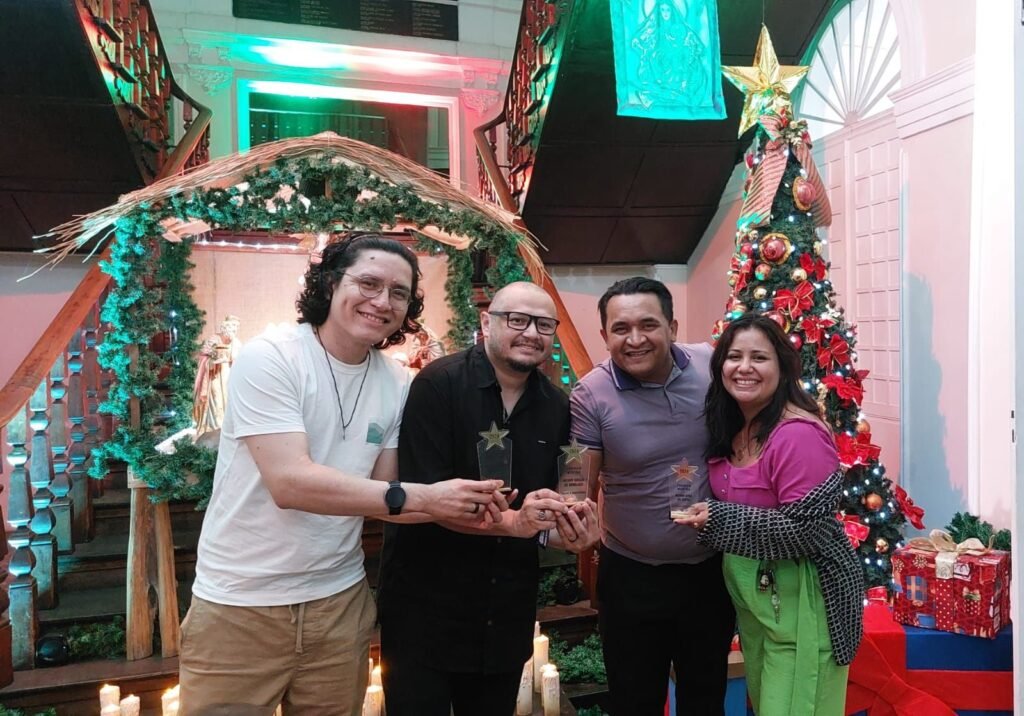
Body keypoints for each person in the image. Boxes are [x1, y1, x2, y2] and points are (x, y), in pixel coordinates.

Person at [179, 235, 506, 715]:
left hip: (339, 603)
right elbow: (290, 483)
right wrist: (427, 497)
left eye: (398, 293)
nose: (382, 302)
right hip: (241, 602)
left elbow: (390, 498)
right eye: (369, 283)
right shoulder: (272, 356)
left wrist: (500, 515)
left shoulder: (397, 381)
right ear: (330, 284)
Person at [379, 281, 601, 716]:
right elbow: (421, 498)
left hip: (505, 615)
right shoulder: (438, 384)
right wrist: (515, 522)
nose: (531, 333)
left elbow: (543, 510)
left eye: (544, 325)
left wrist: (570, 533)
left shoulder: (556, 406)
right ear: (487, 322)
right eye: (517, 320)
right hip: (425, 612)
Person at [675, 312, 864, 715]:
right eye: (734, 357)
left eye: (758, 358)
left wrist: (718, 519)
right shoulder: (732, 425)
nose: (744, 367)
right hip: (756, 603)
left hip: (802, 596)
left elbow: (807, 530)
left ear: (783, 367)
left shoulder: (797, 434)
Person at [569, 277, 735, 715]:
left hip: (710, 573)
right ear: (604, 335)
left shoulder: (712, 366)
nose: (635, 339)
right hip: (632, 578)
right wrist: (573, 523)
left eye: (648, 325)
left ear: (672, 327)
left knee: (706, 701)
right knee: (634, 703)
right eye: (621, 329)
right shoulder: (590, 394)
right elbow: (578, 484)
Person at [192, 314, 241, 437]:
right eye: (233, 327)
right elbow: (204, 359)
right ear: (225, 328)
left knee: (229, 400)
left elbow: (240, 360)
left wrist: (231, 360)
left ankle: (228, 429)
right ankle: (215, 429)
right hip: (215, 376)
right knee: (216, 399)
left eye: (236, 328)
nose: (235, 331)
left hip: (230, 376)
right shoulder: (214, 340)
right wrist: (213, 362)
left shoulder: (236, 343)